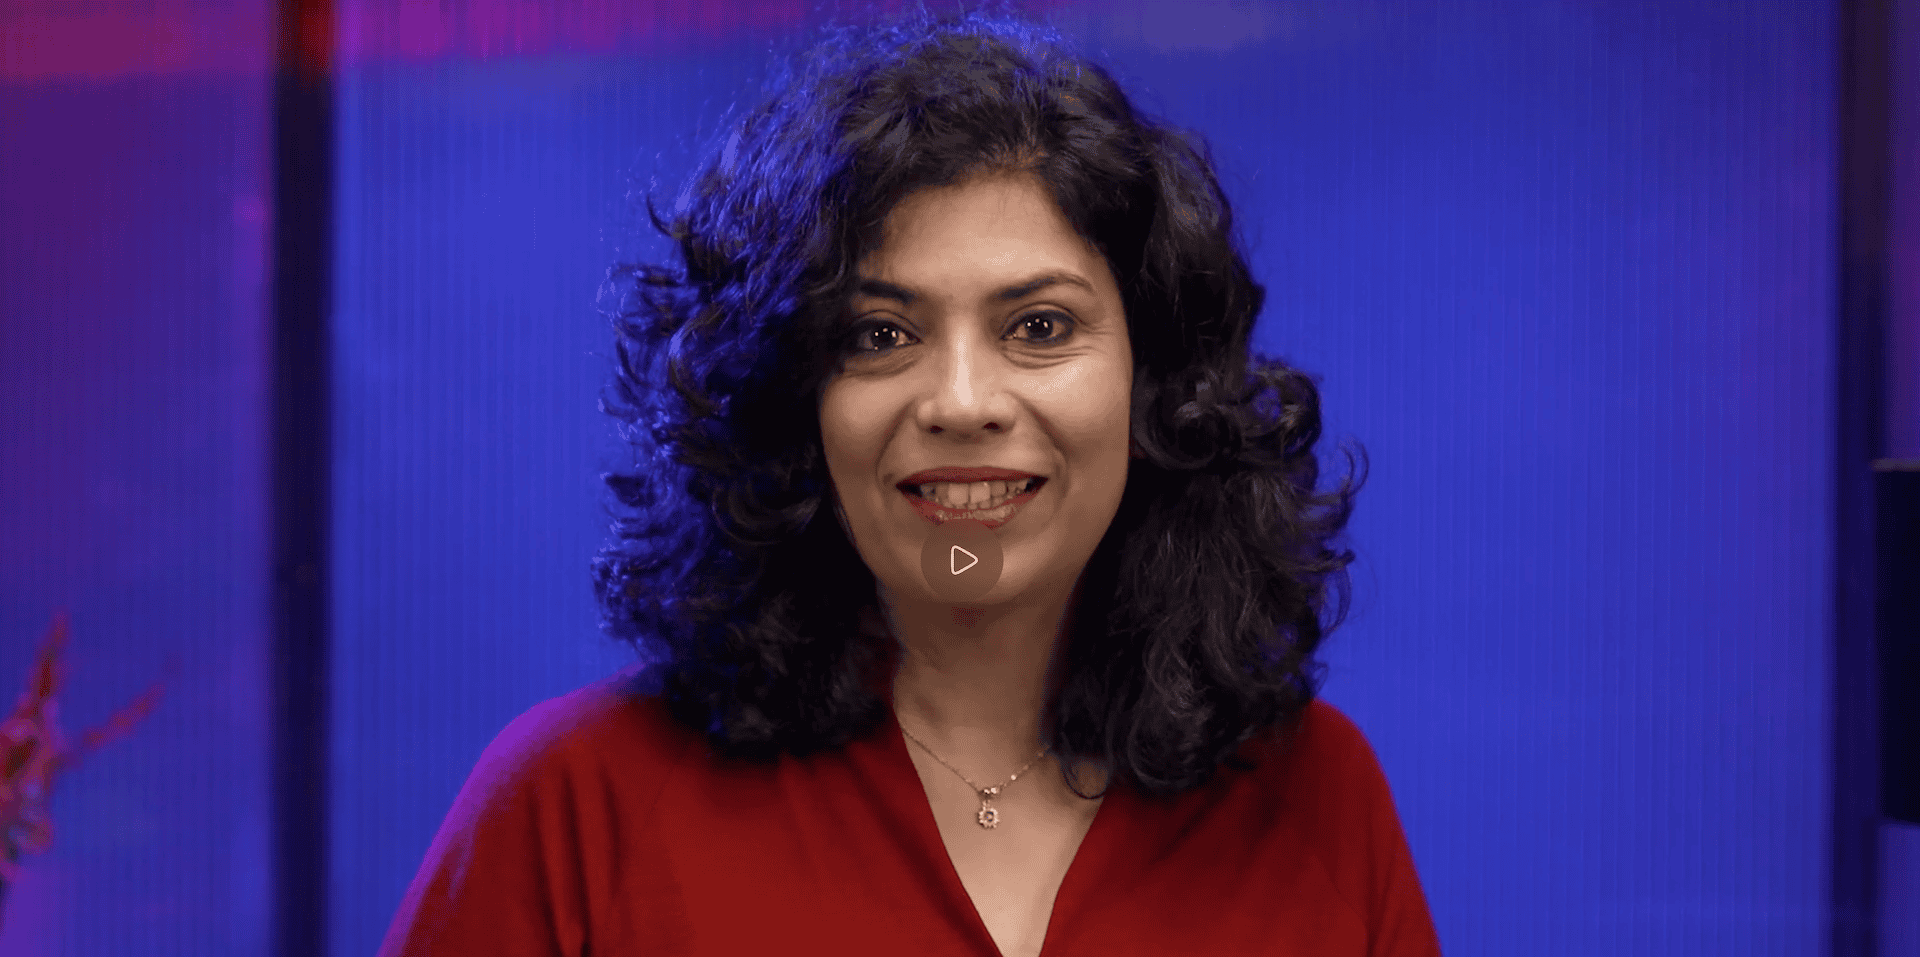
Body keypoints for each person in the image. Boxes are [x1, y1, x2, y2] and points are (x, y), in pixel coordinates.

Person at [379, 8, 1439, 956]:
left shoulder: (1316, 798)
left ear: (1154, 387)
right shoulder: (575, 810)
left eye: (1039, 327)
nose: (963, 401)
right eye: (881, 334)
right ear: (790, 398)